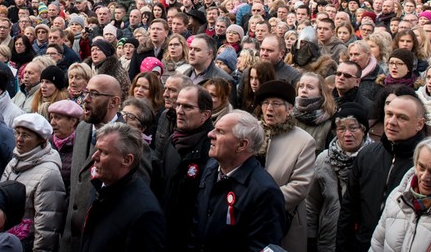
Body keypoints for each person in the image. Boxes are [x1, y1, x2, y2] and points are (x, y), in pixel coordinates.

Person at [338, 93, 427, 252]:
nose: (392, 122)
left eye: (402, 118)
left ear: (419, 124)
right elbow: (349, 207)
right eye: (389, 114)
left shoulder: (425, 163)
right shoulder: (367, 154)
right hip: (363, 244)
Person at [192, 110, 286, 252]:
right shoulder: (212, 168)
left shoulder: (265, 192)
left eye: (220, 132)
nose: (210, 134)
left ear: (242, 145)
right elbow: (196, 224)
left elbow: (260, 246)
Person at [62, 74, 124, 252]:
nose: (86, 99)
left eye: (94, 94)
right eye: (86, 92)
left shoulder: (127, 141)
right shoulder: (82, 128)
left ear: (113, 102)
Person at [80, 123, 166, 252]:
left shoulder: (145, 214)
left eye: (104, 152)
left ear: (127, 160)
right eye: (96, 149)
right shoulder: (101, 187)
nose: (94, 157)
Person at [255, 80, 316, 251]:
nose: (269, 108)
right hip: (248, 216)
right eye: (265, 103)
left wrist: (261, 202)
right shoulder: (253, 132)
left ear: (289, 109)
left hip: (283, 219)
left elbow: (300, 186)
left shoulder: (304, 141)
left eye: (276, 103)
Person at [153, 84, 213, 250]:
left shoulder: (212, 150)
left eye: (187, 107)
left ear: (205, 115)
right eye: (178, 104)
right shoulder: (173, 140)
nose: (179, 110)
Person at [305, 103, 371, 252]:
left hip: (362, 238)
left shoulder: (374, 159)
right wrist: (310, 237)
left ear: (363, 130)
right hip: (329, 238)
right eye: (341, 129)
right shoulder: (324, 160)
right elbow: (312, 203)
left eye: (353, 128)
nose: (347, 134)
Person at [0, 113, 66, 252]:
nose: (19, 139)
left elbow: (47, 226)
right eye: (17, 133)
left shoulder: (49, 173)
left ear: (41, 141)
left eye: (26, 135)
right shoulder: (14, 162)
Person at [47, 99, 83, 191]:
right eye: (51, 117)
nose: (52, 122)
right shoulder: (46, 144)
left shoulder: (82, 145)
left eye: (57, 118)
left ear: (73, 121)